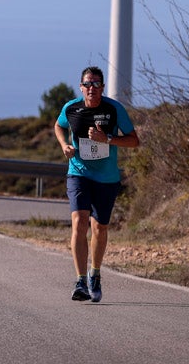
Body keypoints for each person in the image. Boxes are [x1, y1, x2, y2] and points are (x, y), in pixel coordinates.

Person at [52, 65, 140, 303]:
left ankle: (95, 273)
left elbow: (134, 141)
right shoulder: (71, 108)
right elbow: (59, 126)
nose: (92, 88)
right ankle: (80, 280)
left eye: (96, 84)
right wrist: (64, 146)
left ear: (102, 87)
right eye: (87, 84)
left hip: (106, 178)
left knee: (100, 228)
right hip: (78, 173)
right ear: (81, 87)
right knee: (79, 221)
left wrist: (108, 139)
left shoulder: (114, 109)